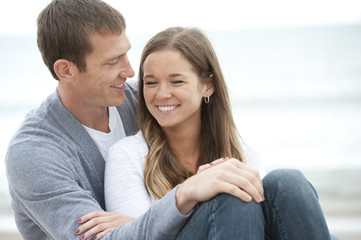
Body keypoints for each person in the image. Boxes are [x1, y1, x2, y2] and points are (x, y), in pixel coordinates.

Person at [5, 1, 218, 239]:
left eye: (126, 54)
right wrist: (181, 197)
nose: (129, 71)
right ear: (66, 71)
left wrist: (134, 223)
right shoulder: (33, 154)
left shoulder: (150, 101)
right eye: (112, 61)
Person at [105, 26, 339, 239]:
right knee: (231, 194)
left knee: (288, 181)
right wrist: (190, 194)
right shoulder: (127, 156)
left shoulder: (243, 156)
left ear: (208, 85)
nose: (162, 94)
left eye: (176, 82)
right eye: (151, 83)